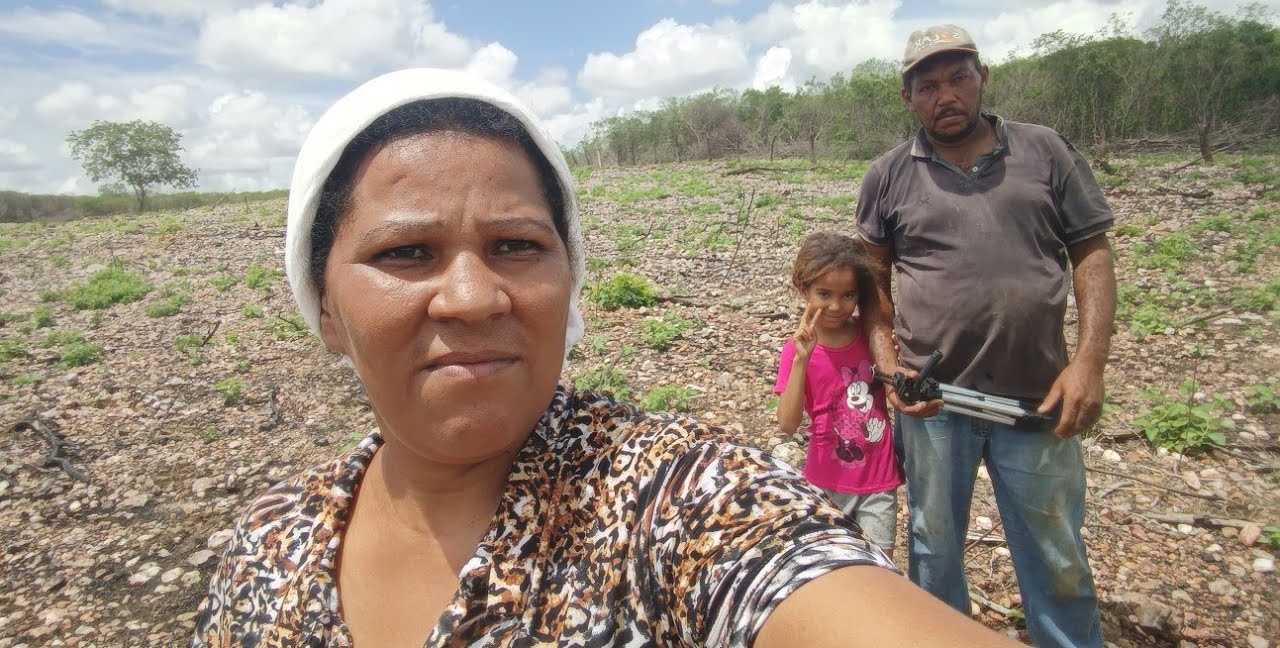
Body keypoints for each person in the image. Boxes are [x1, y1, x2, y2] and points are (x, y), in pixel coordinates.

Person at [191, 67, 1020, 648]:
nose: (473, 298)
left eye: (517, 245)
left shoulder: (675, 498)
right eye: (406, 253)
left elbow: (790, 571)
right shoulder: (272, 543)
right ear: (325, 309)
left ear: (570, 275)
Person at [856, 25, 1117, 648]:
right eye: (927, 86)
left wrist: (1089, 363)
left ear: (983, 78)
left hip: (1038, 395)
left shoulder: (1044, 151)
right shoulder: (888, 174)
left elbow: (1092, 254)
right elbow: (872, 280)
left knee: (1056, 550)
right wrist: (890, 369)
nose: (945, 95)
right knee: (932, 545)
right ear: (908, 99)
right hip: (933, 399)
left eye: (958, 78)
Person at [773, 232, 902, 558]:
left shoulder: (872, 338)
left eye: (848, 295)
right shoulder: (795, 352)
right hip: (825, 483)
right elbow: (787, 424)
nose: (835, 306)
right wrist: (801, 361)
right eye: (824, 294)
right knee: (831, 565)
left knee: (879, 568)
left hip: (878, 482)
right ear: (802, 289)